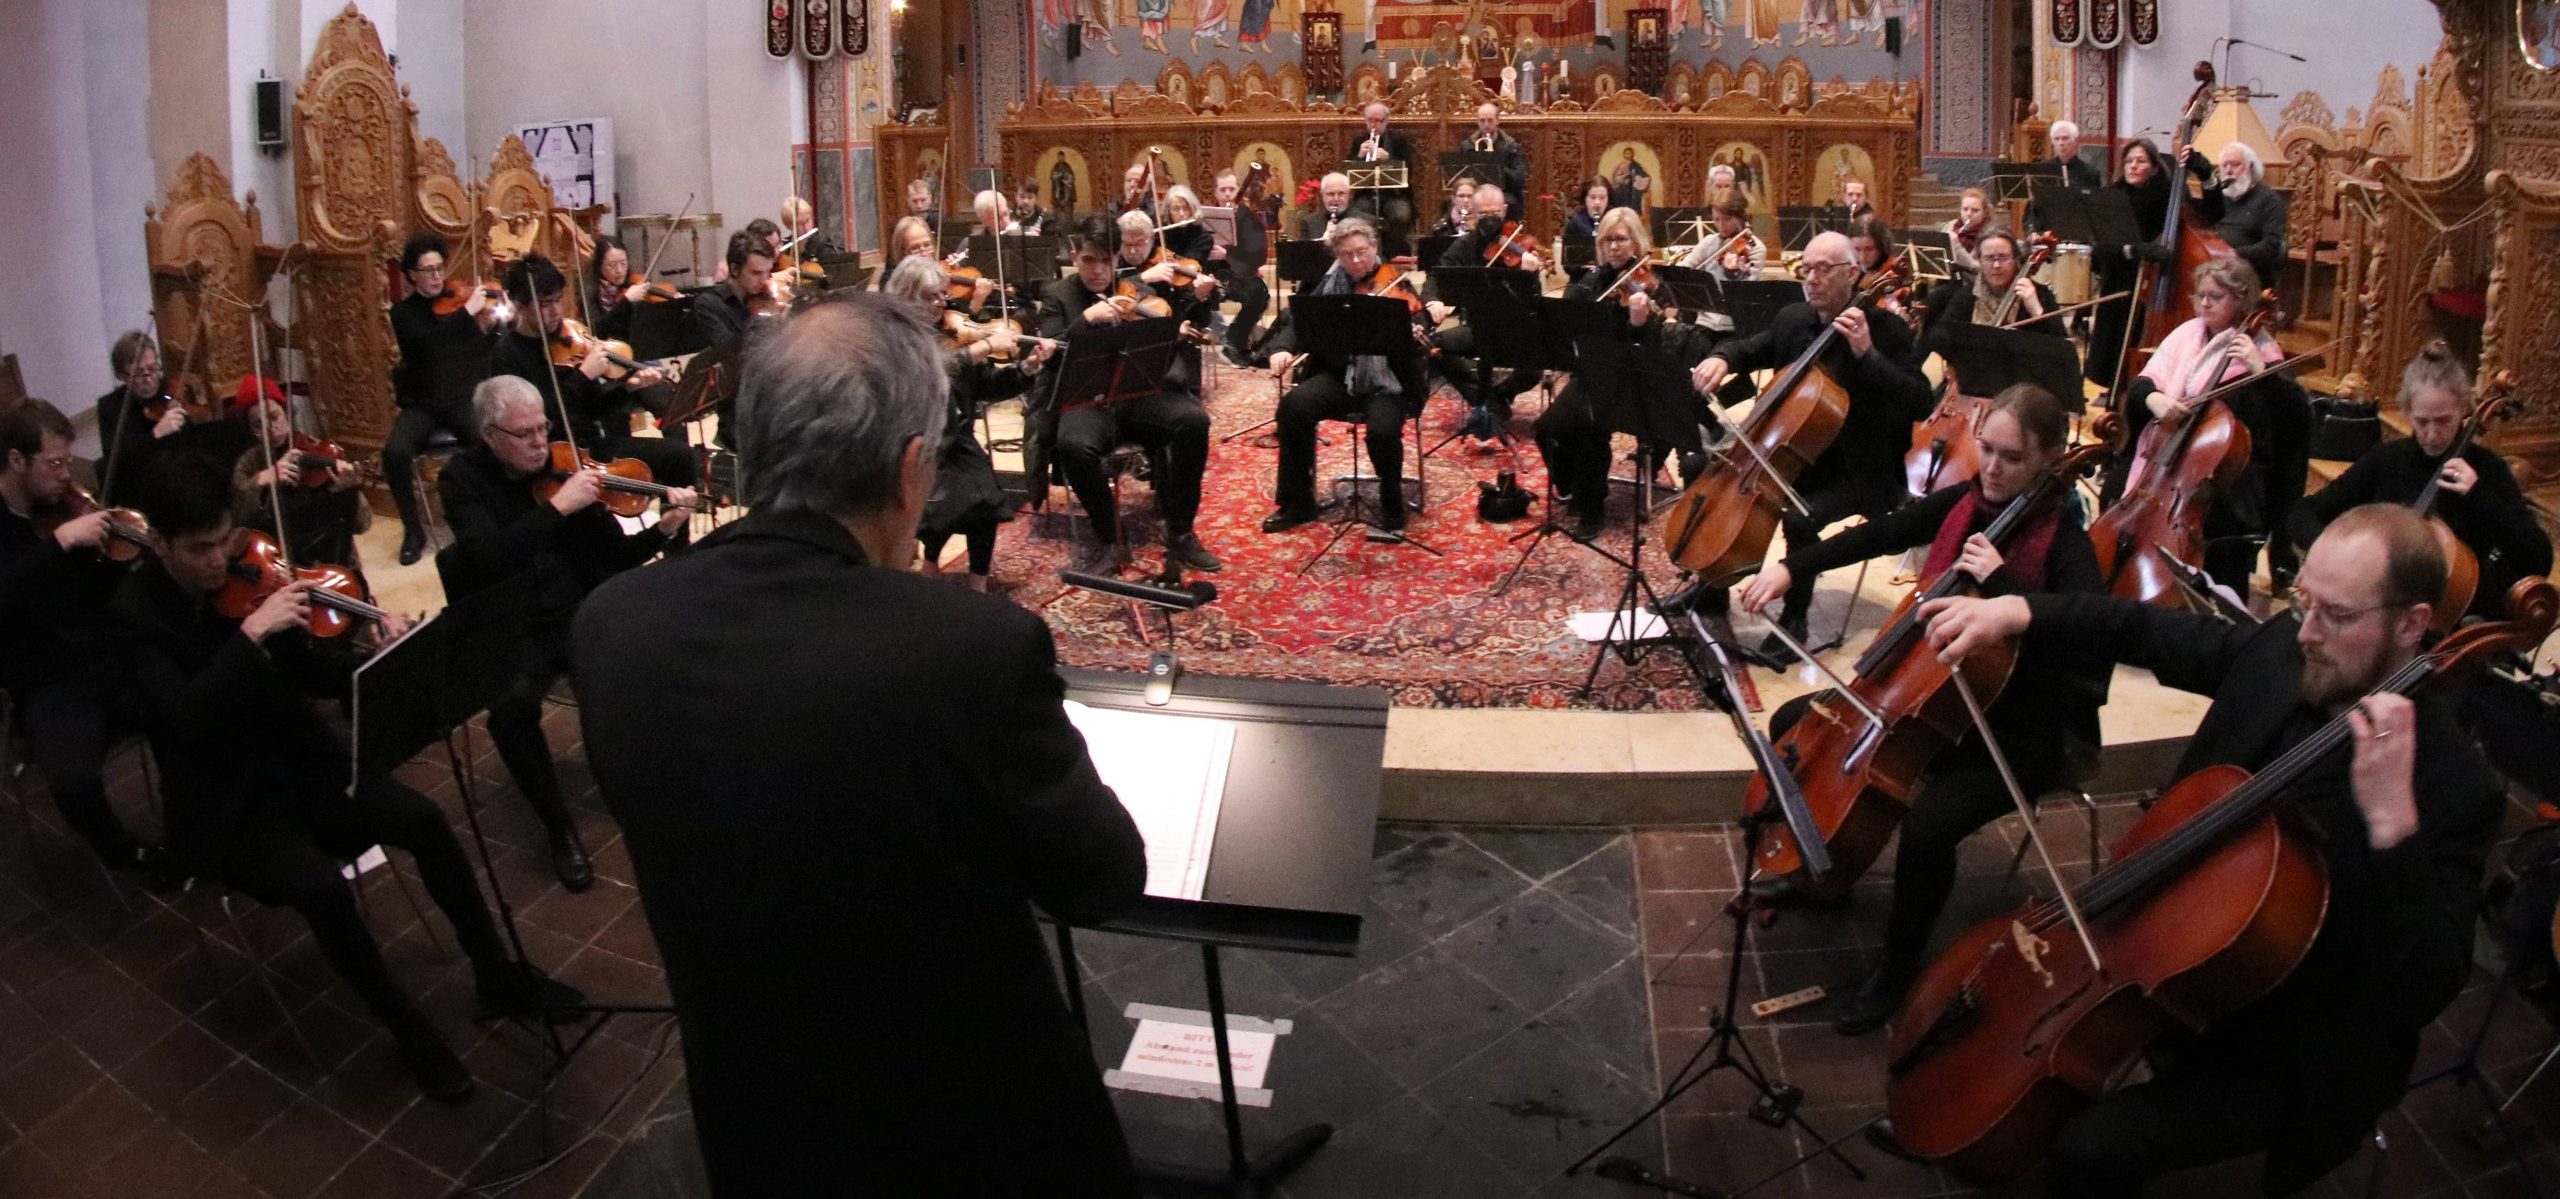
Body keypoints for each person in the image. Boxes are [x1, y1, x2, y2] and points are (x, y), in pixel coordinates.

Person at [570, 295, 1146, 1195]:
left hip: (756, 1114)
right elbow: (1101, 878)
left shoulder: (613, 624)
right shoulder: (969, 647)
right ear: (913, 468)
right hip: (968, 1119)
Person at [1917, 504, 2502, 1198]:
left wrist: (2391, 827)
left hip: (2288, 1045)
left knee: (2090, 1152)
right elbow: (2145, 628)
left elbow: (2420, 985)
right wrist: (2020, 610)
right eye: (2302, 601)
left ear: (2412, 624)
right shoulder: (2284, 650)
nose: (2305, 632)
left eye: (2336, 616)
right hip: (2163, 953)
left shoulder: (2456, 785)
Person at [115, 453, 585, 1102]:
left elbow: (308, 670)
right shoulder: (135, 617)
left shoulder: (246, 571)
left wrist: (374, 662)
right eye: (200, 550)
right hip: (230, 803)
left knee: (426, 820)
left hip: (301, 764)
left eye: (224, 541)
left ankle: (497, 974)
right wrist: (247, 638)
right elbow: (184, 723)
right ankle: (406, 1025)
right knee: (324, 888)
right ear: (159, 544)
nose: (220, 561)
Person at [1737, 385, 2107, 1032]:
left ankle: (1897, 968)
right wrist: (1794, 570)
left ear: (2049, 457)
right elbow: (1881, 532)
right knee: (1793, 721)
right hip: (1933, 700)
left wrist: (2009, 588)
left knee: (1930, 824)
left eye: (2011, 458)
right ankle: (1829, 878)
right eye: (1985, 449)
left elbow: (2093, 653)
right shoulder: (1968, 504)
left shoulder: (2065, 543)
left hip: (2025, 725)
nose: (1991, 468)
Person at [437, 375, 698, 890]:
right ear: (490, 435)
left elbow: (613, 557)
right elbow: (488, 559)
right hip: (512, 624)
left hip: (574, 611)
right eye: (524, 434)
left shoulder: (567, 467)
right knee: (511, 709)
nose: (540, 442)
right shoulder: (461, 481)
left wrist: (663, 529)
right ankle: (558, 828)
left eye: (543, 427)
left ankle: (638, 784)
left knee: (632, 664)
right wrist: (557, 509)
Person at [1687, 230, 1933, 652]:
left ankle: (1795, 617)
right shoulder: (1794, 319)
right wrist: (1721, 356)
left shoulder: (1885, 329)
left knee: (1798, 515)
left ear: (1853, 274)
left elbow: (1920, 400)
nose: (1812, 278)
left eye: (1824, 269)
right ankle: (1710, 590)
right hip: (1796, 455)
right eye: (1807, 268)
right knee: (1701, 468)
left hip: (1860, 466)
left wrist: (1866, 354)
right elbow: (1751, 348)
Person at [0, 399, 165, 876]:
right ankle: (124, 853)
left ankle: (200, 817)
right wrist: (61, 543)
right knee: (73, 783)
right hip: (45, 680)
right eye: (53, 464)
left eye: (67, 462)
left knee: (182, 704)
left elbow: (85, 602)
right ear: (16, 460)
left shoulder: (62, 507)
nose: (64, 475)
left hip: (100, 654)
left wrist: (115, 562)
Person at [2290, 343, 2551, 616]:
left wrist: (2479, 495)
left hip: (2453, 623)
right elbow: (2304, 512)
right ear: (2407, 413)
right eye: (2422, 422)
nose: (2432, 434)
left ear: (2464, 409)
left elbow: (2538, 558)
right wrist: (2328, 555)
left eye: (2443, 421)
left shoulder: (2487, 469)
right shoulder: (2387, 460)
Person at [1036, 215, 1220, 575]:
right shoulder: (1057, 296)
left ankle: (1181, 530)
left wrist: (1169, 333)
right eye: (1089, 260)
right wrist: (1087, 318)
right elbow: (1053, 352)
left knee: (1193, 420)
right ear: (1076, 258)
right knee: (1073, 445)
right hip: (1084, 398)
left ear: (1117, 259)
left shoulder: (1137, 291)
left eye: (1106, 260)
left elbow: (1161, 354)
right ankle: (1110, 538)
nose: (1098, 270)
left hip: (1133, 395)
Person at [2111, 257, 2308, 591]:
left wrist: (2261, 374)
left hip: (2226, 477)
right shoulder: (2186, 334)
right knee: (2115, 488)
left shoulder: (2261, 353)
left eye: (2215, 297)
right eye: (2199, 295)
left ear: (2242, 300)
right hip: (2167, 461)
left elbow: (2288, 422)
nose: (2203, 303)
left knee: (2219, 524)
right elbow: (2143, 384)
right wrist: (2153, 399)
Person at [1532, 208, 1712, 539]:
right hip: (1593, 373)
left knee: (1588, 425)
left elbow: (1657, 349)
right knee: (1546, 428)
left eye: (1621, 239)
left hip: (1631, 378)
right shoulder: (1593, 280)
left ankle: (1593, 506)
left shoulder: (1653, 287)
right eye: (1607, 240)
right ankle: (1572, 486)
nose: (1614, 246)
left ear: (1636, 242)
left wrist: (1639, 324)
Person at [1258, 217, 1433, 541]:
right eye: (1347, 255)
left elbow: (1421, 339)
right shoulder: (1329, 283)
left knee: (1381, 431)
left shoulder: (1397, 284)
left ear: (1374, 247)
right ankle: (1298, 503)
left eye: (1361, 252)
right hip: (1341, 378)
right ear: (1337, 255)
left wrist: (1411, 335)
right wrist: (1281, 348)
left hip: (1388, 383)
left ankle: (1393, 505)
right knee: (1293, 407)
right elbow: (1298, 319)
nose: (1355, 261)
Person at [886, 255, 1052, 589]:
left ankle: (976, 582)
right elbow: (933, 372)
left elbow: (984, 383)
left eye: (940, 295)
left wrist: (1028, 368)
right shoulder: (896, 339)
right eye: (930, 297)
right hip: (916, 441)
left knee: (983, 499)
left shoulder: (946, 332)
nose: (939, 304)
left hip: (955, 437)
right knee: (956, 501)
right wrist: (986, 345)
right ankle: (933, 566)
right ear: (906, 297)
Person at [489, 252, 698, 493]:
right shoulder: (506, 356)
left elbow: (594, 408)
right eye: (545, 304)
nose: (556, 311)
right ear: (520, 306)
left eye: (557, 300)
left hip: (591, 447)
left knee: (681, 457)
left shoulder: (568, 339)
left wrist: (627, 388)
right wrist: (582, 377)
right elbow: (539, 422)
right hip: (552, 458)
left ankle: (671, 528)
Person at [383, 237, 502, 564]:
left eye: (440, 268)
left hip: (460, 397)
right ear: (411, 275)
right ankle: (413, 530)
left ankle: (489, 512)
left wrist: (490, 329)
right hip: (422, 404)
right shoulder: (403, 314)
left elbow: (479, 352)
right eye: (428, 270)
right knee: (394, 453)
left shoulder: (457, 304)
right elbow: (428, 344)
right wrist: (467, 314)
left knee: (488, 440)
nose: (437, 276)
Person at [1425, 184, 1547, 439]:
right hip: (1477, 327)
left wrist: (1531, 274)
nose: (1489, 219)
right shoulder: (1467, 245)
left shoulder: (1520, 246)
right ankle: (1488, 402)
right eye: (1483, 214)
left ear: (1504, 211)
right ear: (1473, 214)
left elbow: (1534, 299)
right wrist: (1432, 300)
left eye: (1494, 213)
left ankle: (1497, 396)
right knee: (1431, 346)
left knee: (1534, 369)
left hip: (1514, 330)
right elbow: (1437, 274)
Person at [231, 384, 371, 571]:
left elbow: (362, 523)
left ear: (287, 413)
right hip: (281, 561)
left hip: (333, 556)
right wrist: (262, 479)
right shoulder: (249, 463)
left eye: (274, 417)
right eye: (258, 425)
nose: (269, 428)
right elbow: (239, 520)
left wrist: (346, 491)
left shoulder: (318, 449)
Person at [2086, 139, 2175, 390]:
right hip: (2117, 273)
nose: (2133, 166)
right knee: (2114, 334)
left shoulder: (2165, 196)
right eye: (2129, 161)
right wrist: (2131, 250)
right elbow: (2101, 243)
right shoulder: (2113, 194)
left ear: (2155, 167)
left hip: (2151, 279)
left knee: (2137, 331)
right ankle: (2113, 385)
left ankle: (2139, 385)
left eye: (2141, 161)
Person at [1919, 229, 2065, 348]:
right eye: (1989, 258)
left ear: (2015, 259)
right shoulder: (1967, 296)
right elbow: (1940, 338)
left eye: (2003, 257)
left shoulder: (2039, 295)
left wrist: (2036, 311)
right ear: (1979, 261)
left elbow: (2061, 345)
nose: (1996, 266)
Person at [2184, 140, 2288, 294]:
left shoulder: (2270, 200)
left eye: (2235, 165)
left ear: (2250, 167)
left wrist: (2236, 254)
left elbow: (2272, 246)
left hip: (2247, 274)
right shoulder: (2218, 198)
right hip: (2211, 268)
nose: (2229, 171)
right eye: (2224, 166)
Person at [94, 331, 186, 507]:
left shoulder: (169, 392)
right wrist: (156, 434)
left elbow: (188, 446)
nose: (149, 378)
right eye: (139, 373)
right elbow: (118, 463)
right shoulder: (110, 407)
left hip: (176, 480)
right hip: (139, 490)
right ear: (122, 376)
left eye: (152, 368)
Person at [1211, 168, 1272, 366]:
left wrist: (1227, 254)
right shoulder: (1206, 216)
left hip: (1234, 275)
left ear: (1238, 190)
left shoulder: (1248, 218)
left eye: (1231, 189)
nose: (1228, 193)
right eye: (1223, 189)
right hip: (1208, 274)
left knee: (1259, 292)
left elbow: (1258, 253)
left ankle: (1234, 342)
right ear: (1216, 192)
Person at [687, 231, 773, 354]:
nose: (764, 280)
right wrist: (757, 319)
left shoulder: (767, 298)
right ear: (734, 269)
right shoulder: (708, 304)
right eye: (756, 273)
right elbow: (729, 351)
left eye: (768, 272)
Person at [1353, 101, 1418, 238]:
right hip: (1367, 194)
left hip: (1395, 195)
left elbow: (1409, 170)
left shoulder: (1399, 140)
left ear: (1386, 121)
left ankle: (1393, 252)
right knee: (1358, 216)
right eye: (1370, 120)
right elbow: (1348, 173)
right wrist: (1359, 156)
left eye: (1378, 121)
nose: (1373, 125)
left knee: (1401, 215)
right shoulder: (1359, 140)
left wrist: (1389, 159)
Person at [2026, 119, 2104, 231]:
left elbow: (2094, 211)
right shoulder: (2042, 170)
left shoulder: (2090, 173)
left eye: (2065, 138)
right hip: (2047, 230)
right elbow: (2032, 208)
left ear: (2075, 141)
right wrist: (2032, 231)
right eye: (2056, 139)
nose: (2061, 143)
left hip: (2078, 231)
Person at [1467, 103, 1528, 215]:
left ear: (1497, 120)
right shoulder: (1468, 146)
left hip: (1504, 192)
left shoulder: (1512, 147)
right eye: (1482, 120)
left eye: (1490, 120)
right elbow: (1463, 177)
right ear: (1477, 122)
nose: (1486, 125)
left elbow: (1519, 181)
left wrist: (1497, 165)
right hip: (1476, 192)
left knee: (1511, 203)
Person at [1300, 171, 1368, 241]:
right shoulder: (1310, 223)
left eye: (1341, 193)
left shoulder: (1367, 221)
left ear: (1349, 194)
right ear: (1322, 195)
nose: (1336, 199)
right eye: (1331, 194)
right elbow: (1303, 251)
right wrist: (1322, 241)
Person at [1943, 187, 1992, 280]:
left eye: (1975, 210)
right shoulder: (1950, 226)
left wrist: (1956, 246)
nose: (1969, 214)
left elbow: (1980, 269)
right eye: (1965, 209)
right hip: (1948, 278)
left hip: (1972, 283)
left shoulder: (1989, 236)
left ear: (1984, 212)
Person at [1564, 176, 1612, 241]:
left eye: (1602, 198)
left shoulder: (1614, 221)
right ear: (1585, 199)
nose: (1597, 202)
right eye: (1593, 197)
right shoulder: (1575, 223)